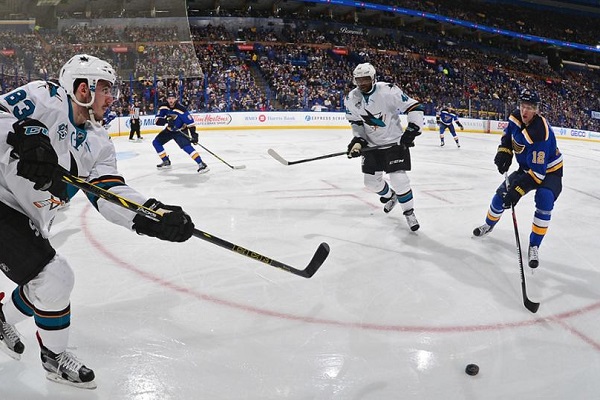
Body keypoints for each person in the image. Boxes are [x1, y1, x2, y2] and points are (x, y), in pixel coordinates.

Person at [0, 54, 195, 389]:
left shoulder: (99, 143)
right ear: (81, 87)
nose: (111, 97)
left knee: (45, 283)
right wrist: (25, 135)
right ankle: (54, 358)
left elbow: (109, 193)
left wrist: (153, 215)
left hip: (24, 214)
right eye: (105, 88)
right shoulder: (43, 97)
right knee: (54, 278)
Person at [473, 88, 563, 268]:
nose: (524, 111)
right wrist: (504, 152)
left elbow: (538, 174)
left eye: (530, 107)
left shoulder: (540, 134)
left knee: (544, 199)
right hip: (527, 168)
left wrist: (518, 191)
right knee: (501, 195)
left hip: (549, 171)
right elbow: (508, 138)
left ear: (537, 110)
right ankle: (488, 224)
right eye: (523, 105)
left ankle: (534, 245)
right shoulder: (515, 118)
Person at [344, 62, 424, 231]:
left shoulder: (388, 90)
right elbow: (356, 122)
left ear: (373, 78)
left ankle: (409, 213)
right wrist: (358, 140)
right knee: (371, 183)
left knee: (399, 179)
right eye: (359, 80)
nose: (362, 83)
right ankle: (390, 196)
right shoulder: (351, 98)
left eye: (366, 79)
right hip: (372, 146)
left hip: (394, 143)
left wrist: (412, 130)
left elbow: (414, 106)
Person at [153, 92, 208, 173]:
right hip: (169, 130)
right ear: (167, 99)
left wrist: (194, 135)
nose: (171, 100)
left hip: (180, 131)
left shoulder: (181, 109)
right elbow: (157, 121)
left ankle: (201, 163)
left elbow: (191, 123)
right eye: (169, 98)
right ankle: (165, 160)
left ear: (176, 99)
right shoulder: (163, 107)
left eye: (172, 98)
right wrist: (166, 120)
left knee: (187, 147)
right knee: (156, 142)